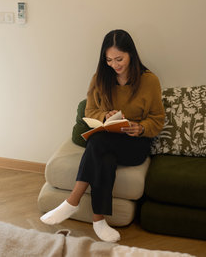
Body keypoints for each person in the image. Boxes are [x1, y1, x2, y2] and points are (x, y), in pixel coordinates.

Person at [40, 29, 165, 242]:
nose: (115, 65)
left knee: (98, 143)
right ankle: (99, 221)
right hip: (107, 140)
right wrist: (104, 116)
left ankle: (72, 202)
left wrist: (141, 128)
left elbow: (158, 118)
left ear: (131, 55)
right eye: (109, 60)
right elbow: (89, 112)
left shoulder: (149, 81)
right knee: (103, 154)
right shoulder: (100, 78)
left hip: (135, 145)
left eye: (119, 59)